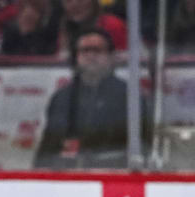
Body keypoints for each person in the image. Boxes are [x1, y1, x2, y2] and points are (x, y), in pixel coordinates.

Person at [35, 28, 145, 169]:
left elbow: (142, 143)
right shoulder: (63, 97)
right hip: (68, 177)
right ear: (76, 57)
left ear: (111, 56)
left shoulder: (128, 96)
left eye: (97, 50)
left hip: (113, 174)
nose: (90, 56)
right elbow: (49, 146)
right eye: (85, 51)